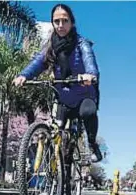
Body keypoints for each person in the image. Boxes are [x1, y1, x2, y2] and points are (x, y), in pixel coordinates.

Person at [13, 3, 103, 163]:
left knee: (88, 113)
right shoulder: (51, 47)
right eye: (57, 21)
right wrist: (23, 76)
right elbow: (37, 63)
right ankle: (60, 173)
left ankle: (92, 143)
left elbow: (89, 60)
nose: (60, 25)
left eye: (65, 20)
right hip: (63, 97)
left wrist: (90, 75)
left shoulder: (82, 44)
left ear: (72, 23)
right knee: (58, 130)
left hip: (84, 95)